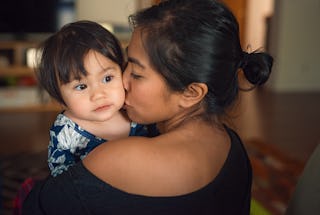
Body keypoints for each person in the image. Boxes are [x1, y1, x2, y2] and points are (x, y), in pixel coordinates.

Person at [23, 0, 273, 214]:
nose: (123, 80)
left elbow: (35, 207)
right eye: (125, 63)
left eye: (137, 73)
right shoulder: (233, 145)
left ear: (191, 92)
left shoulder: (118, 158)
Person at [35, 20, 154, 177]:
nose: (98, 95)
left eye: (107, 79)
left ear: (122, 71)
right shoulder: (65, 131)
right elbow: (63, 181)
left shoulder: (133, 108)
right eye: (81, 87)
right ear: (59, 96)